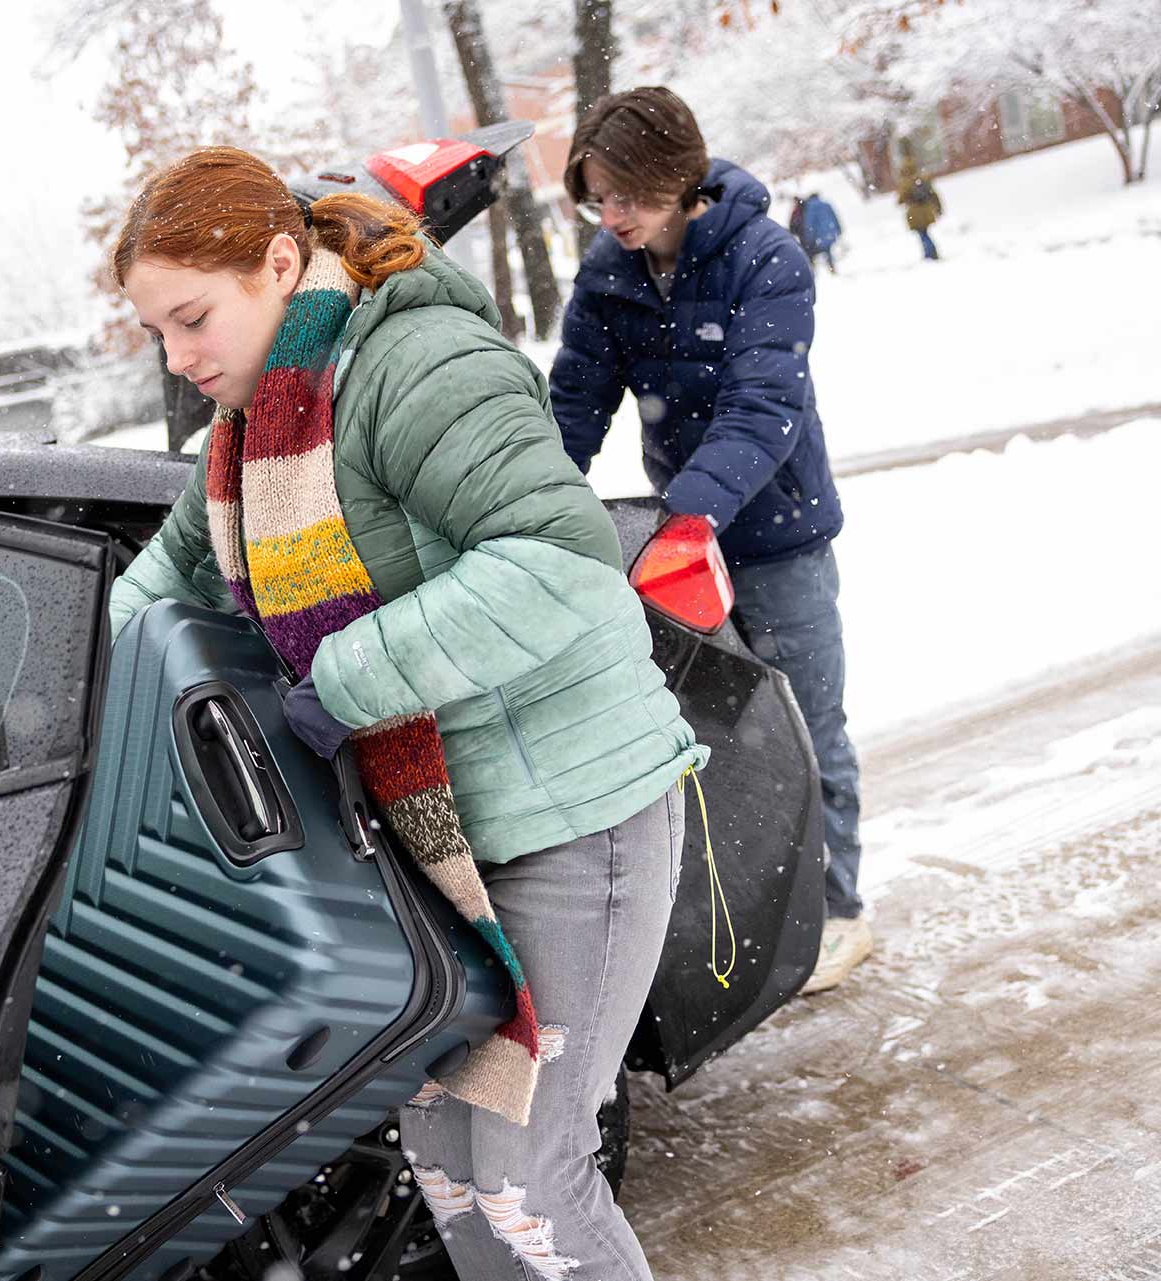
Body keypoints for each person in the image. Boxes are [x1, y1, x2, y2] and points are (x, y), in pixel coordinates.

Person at [109, 145, 708, 1281]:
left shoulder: (413, 362)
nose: (182, 359)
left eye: (193, 319)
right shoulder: (254, 428)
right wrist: (52, 695)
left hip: (572, 816)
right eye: (163, 335)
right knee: (448, 1163)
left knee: (534, 1178)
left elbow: (561, 559)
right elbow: (163, 582)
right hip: (443, 850)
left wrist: (341, 684)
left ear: (281, 264)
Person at [547, 87, 871, 996]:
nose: (612, 218)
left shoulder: (764, 257)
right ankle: (754, 910)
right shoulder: (610, 267)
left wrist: (689, 518)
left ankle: (841, 906)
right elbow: (575, 398)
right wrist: (528, 494)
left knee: (810, 723)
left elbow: (761, 409)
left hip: (778, 537)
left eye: (629, 198)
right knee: (721, 740)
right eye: (597, 198)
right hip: (685, 537)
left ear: (678, 180)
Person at [897, 155, 944, 260]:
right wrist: (938, 208)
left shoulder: (906, 182)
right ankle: (930, 253)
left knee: (922, 234)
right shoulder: (923, 178)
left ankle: (930, 254)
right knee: (925, 232)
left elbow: (900, 200)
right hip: (927, 210)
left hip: (914, 212)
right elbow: (933, 194)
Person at [801, 190, 843, 273]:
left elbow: (809, 222)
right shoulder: (826, 204)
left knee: (812, 253)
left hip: (818, 234)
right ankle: (831, 268)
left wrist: (808, 236)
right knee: (827, 249)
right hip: (830, 232)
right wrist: (839, 229)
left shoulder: (810, 207)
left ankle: (813, 271)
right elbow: (835, 217)